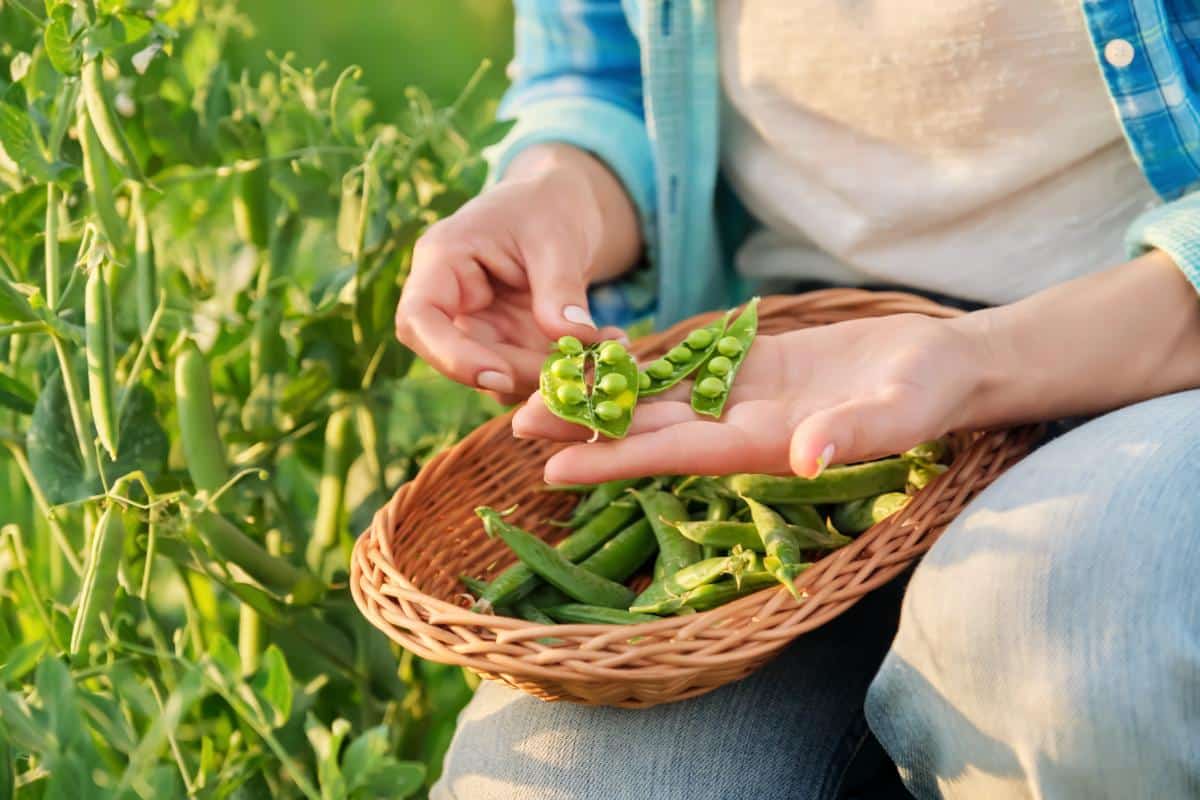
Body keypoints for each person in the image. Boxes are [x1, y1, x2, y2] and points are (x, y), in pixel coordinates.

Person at [396, 2, 1200, 797]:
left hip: (1152, 340)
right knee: (565, 784)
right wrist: (558, 192)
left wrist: (980, 358)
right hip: (797, 357)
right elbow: (599, 67)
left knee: (1068, 653)